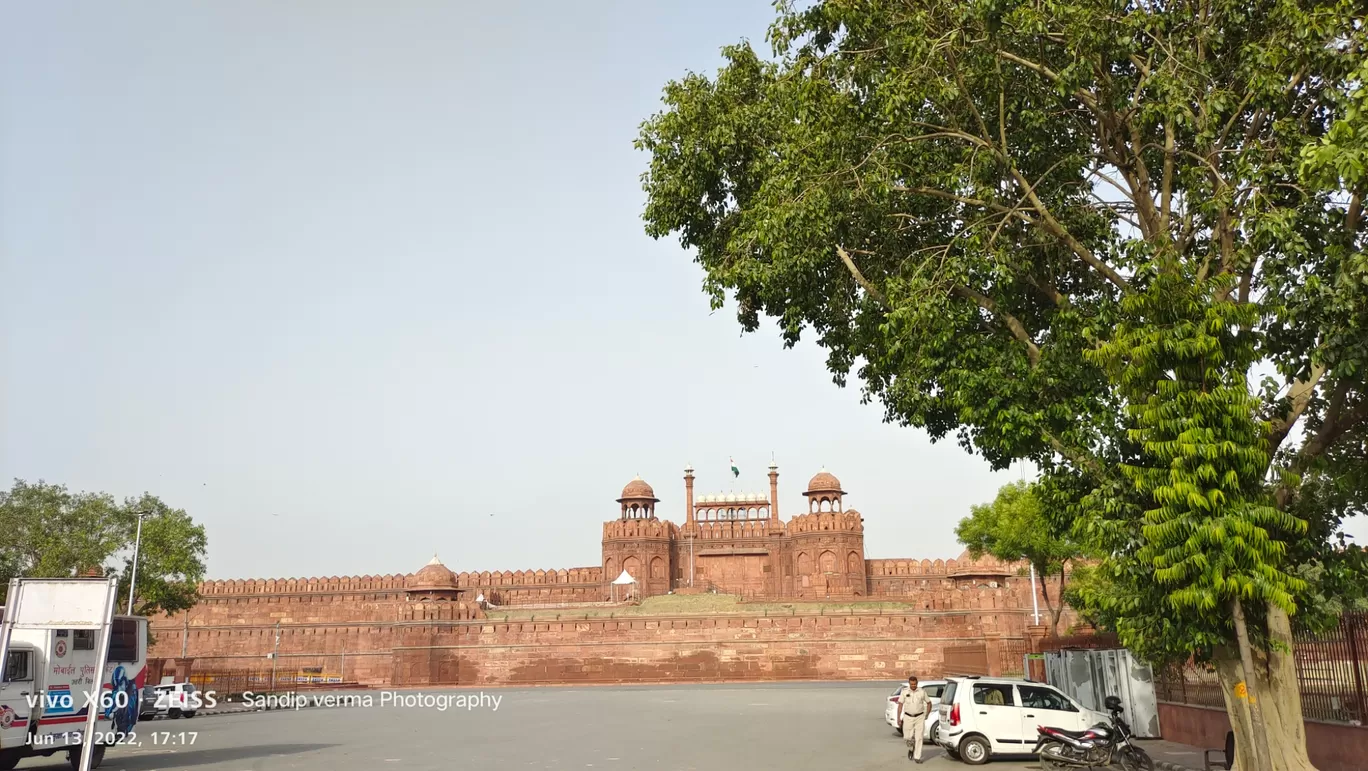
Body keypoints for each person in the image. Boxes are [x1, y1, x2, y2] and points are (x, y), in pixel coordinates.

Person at [899, 674, 930, 763]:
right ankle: (911, 749)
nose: (913, 686)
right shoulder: (904, 691)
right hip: (908, 717)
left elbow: (929, 703)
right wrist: (898, 718)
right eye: (911, 684)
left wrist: (927, 714)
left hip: (919, 717)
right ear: (909, 684)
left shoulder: (922, 692)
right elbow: (900, 705)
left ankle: (917, 757)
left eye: (915, 684)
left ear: (917, 683)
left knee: (919, 737)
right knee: (907, 737)